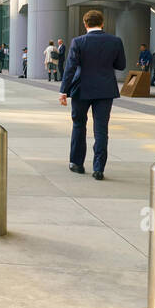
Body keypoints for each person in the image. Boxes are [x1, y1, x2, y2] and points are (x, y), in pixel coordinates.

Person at [59, 10, 125, 181]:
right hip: (105, 90)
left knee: (79, 125)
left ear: (85, 24)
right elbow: (121, 65)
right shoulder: (115, 41)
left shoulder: (78, 42)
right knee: (101, 129)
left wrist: (63, 90)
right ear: (102, 23)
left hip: (82, 89)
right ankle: (99, 168)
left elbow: (70, 68)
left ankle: (77, 163)